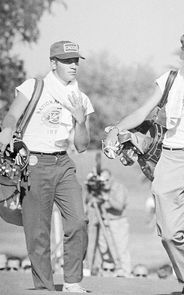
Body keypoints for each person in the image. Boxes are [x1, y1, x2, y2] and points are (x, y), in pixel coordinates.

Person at [104, 29, 184, 295]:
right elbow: (143, 111)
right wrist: (116, 131)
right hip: (170, 159)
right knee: (168, 234)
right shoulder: (170, 79)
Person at [0, 40, 94, 293]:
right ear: (53, 63)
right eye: (66, 61)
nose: (73, 65)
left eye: (75, 60)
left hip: (63, 162)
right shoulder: (34, 86)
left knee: (78, 221)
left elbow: (82, 146)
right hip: (33, 162)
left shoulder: (80, 97)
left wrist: (80, 121)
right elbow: (12, 115)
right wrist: (7, 133)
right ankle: (44, 287)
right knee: (37, 229)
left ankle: (72, 281)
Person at [85, 169, 131, 277]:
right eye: (102, 181)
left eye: (106, 180)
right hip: (103, 221)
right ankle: (107, 271)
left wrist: (107, 198)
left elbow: (119, 207)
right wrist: (90, 187)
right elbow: (88, 202)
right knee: (103, 249)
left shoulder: (119, 188)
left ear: (111, 178)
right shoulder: (100, 189)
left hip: (117, 221)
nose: (104, 183)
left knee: (121, 248)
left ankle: (125, 272)